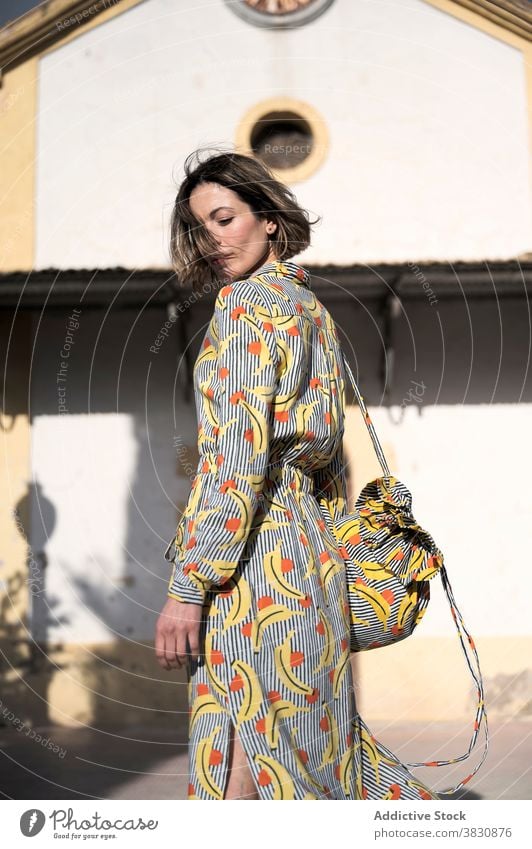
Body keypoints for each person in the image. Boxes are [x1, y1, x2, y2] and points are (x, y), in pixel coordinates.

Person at [155, 149, 439, 801]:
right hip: (312, 566)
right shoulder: (311, 311)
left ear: (271, 220)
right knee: (304, 753)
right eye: (200, 228)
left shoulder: (244, 310)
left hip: (254, 568)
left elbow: (235, 461)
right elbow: (331, 463)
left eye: (223, 217)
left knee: (241, 751)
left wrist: (189, 584)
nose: (212, 239)